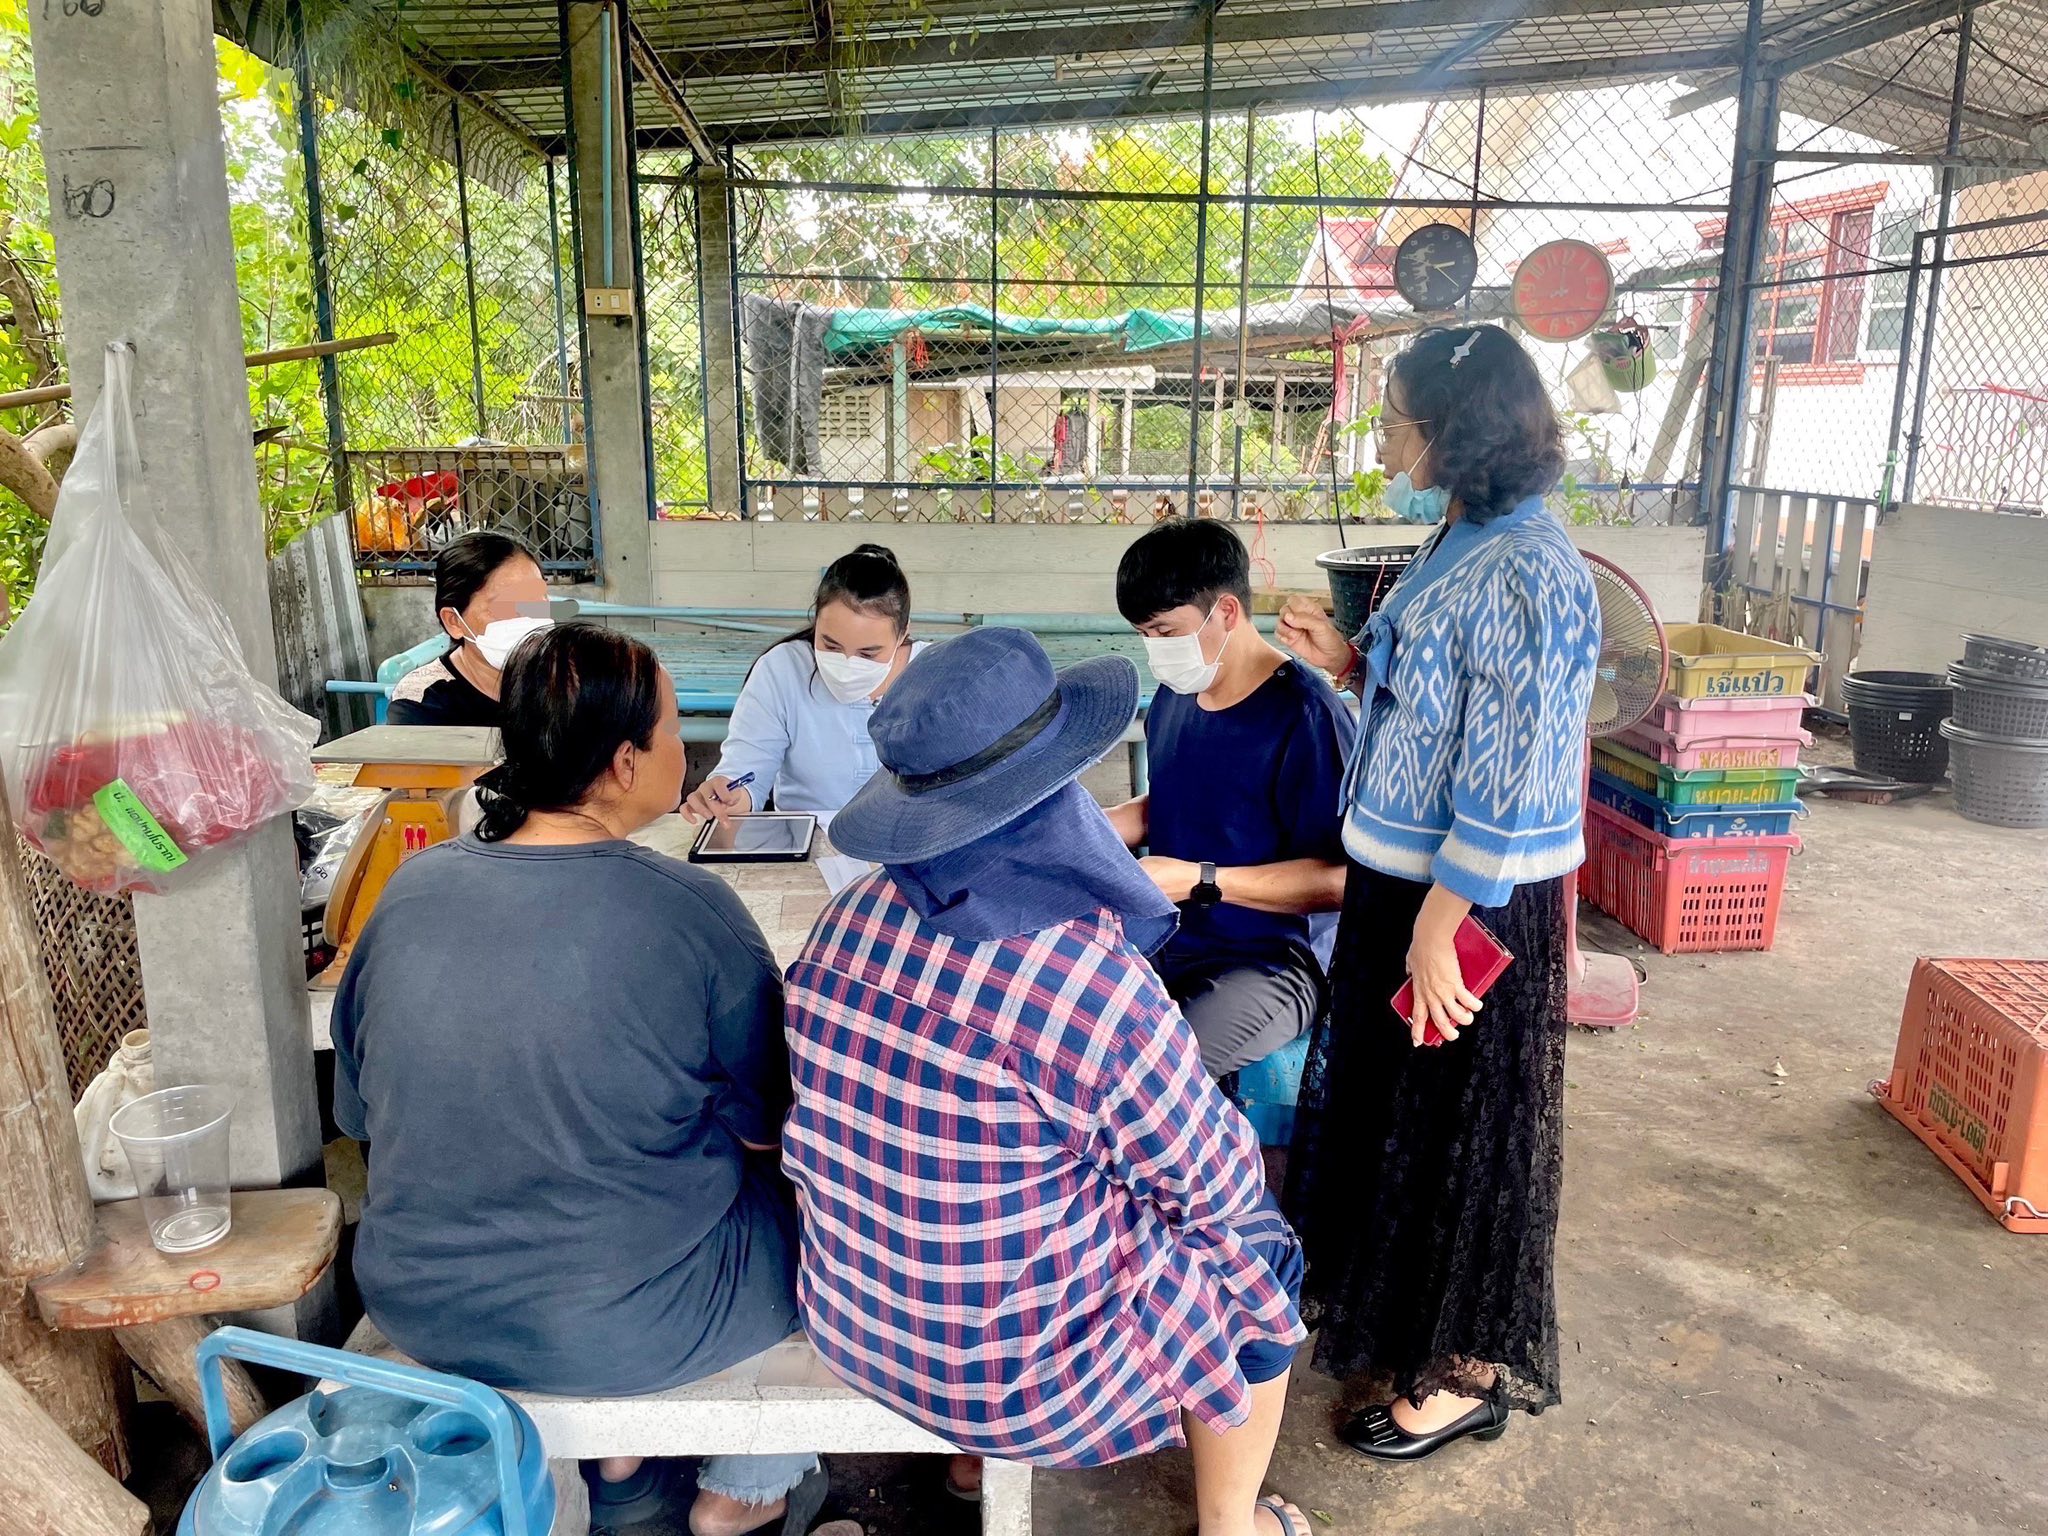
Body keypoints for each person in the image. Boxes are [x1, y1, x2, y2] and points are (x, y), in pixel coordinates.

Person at [782, 627, 1314, 1536]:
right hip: (1029, 1389)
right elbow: (1213, 1193)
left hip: (853, 1319)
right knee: (1261, 1246)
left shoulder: (852, 915)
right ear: (1057, 791)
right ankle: (1234, 1524)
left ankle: (961, 1467)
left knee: (995, 1173)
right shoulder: (1085, 985)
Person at [332, 623, 827, 1536]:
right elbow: (774, 1131)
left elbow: (363, 1112)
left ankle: (624, 1474)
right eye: (678, 732)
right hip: (630, 1325)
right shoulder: (690, 909)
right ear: (626, 761)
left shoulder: (413, 888)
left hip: (422, 1302)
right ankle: (744, 1493)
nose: (691, 752)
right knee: (831, 1199)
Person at [1275, 324, 1600, 1462]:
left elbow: (1509, 780)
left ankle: (1463, 1370)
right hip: (1402, 883)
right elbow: (1435, 700)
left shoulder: (1530, 571)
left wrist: (1436, 927)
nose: (1381, 434)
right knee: (1395, 1113)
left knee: (1470, 1126)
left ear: (1452, 430)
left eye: (1395, 416)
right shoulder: (1461, 529)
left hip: (1465, 903)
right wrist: (1349, 664)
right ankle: (1404, 1320)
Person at [1108, 519, 1356, 1078]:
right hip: (1168, 934)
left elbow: (1342, 882)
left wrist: (1201, 879)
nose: (1155, 651)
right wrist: (1088, 827)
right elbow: (1180, 801)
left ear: (1225, 612)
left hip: (1269, 961)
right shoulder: (1178, 695)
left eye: (1166, 632)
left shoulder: (1304, 714)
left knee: (1154, 1077)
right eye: (1143, 634)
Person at [683, 544, 924, 823]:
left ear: (903, 632)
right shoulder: (782, 670)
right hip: (808, 843)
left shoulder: (936, 674)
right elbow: (748, 765)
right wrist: (731, 795)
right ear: (816, 620)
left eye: (868, 654)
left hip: (913, 847)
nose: (846, 666)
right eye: (830, 645)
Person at [386, 530, 551, 727]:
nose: (529, 617)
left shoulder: (572, 679)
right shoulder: (422, 703)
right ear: (454, 621)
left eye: (537, 600)